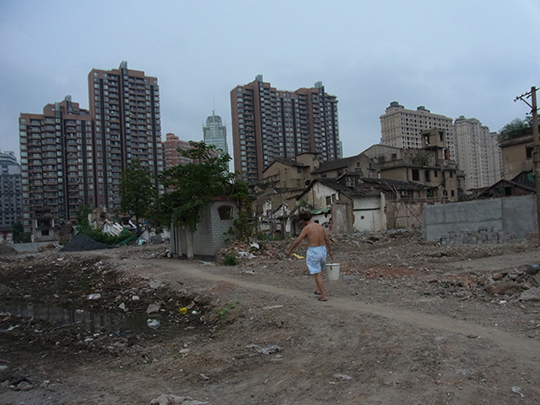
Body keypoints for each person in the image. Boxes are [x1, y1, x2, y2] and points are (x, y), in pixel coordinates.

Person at [285, 211, 333, 301]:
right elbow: (327, 240)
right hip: (323, 250)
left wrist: (290, 250)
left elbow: (298, 240)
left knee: (317, 273)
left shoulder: (307, 228)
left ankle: (323, 295)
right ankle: (318, 289)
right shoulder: (320, 227)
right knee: (319, 271)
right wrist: (330, 250)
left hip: (313, 250)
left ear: (302, 220)